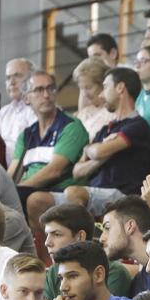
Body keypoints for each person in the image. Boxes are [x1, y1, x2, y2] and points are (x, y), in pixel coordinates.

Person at [66, 67, 150, 216]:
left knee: (73, 193)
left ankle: (81, 237)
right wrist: (96, 152)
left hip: (123, 194)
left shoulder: (137, 125)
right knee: (38, 200)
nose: (101, 94)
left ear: (120, 88)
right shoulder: (105, 130)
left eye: (106, 87)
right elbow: (77, 172)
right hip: (93, 192)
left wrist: (95, 150)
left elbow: (99, 151)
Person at [13, 71, 90, 231]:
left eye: (50, 89)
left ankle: (42, 254)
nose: (46, 95)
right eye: (39, 90)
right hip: (27, 191)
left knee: (35, 200)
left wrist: (17, 191)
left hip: (62, 192)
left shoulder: (71, 126)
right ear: (26, 98)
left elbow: (54, 171)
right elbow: (12, 173)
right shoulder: (26, 135)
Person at [0, 58, 38, 153]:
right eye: (8, 78)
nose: (11, 82)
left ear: (32, 79)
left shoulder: (39, 109)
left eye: (17, 76)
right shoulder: (3, 112)